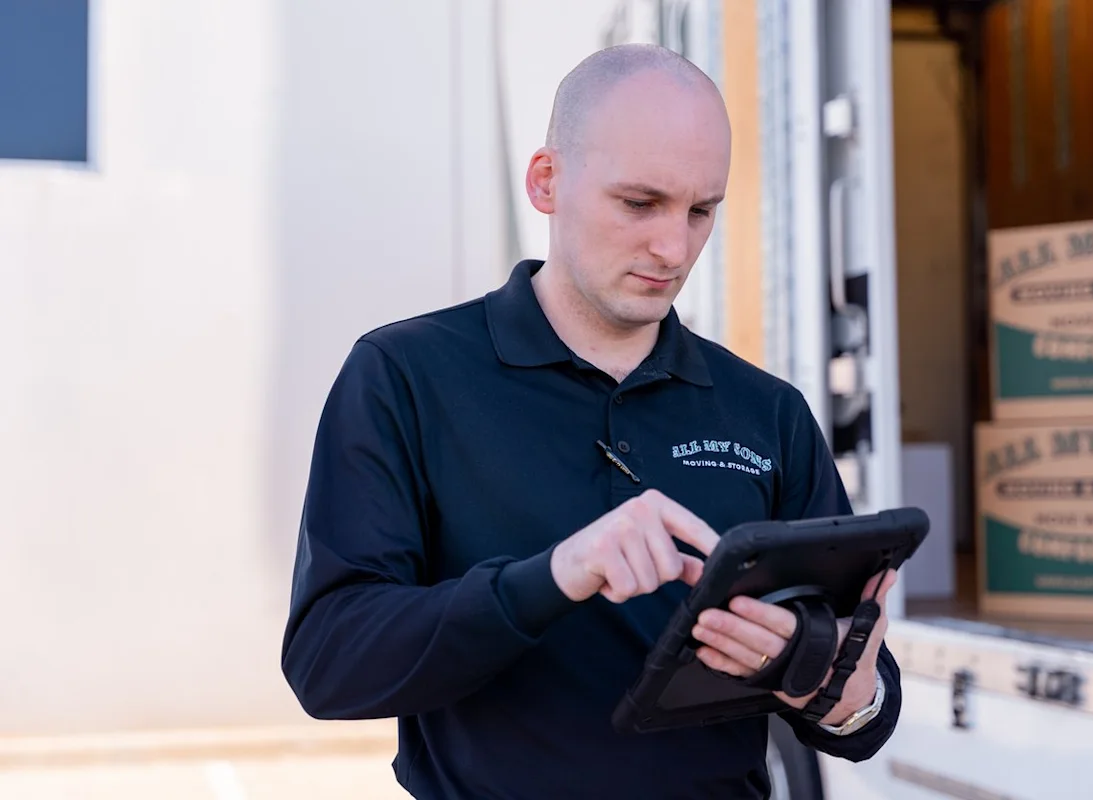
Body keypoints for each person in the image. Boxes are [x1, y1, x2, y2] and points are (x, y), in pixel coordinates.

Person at [281, 43, 901, 799]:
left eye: (701, 210)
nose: (674, 247)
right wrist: (552, 578)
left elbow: (862, 711)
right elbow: (330, 665)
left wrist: (841, 690)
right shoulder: (406, 376)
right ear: (547, 181)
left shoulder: (766, 411)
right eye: (640, 203)